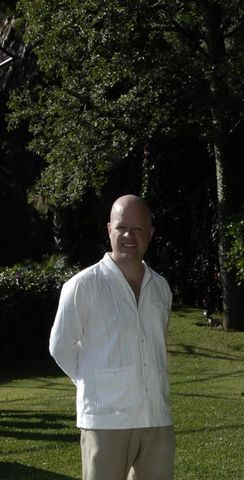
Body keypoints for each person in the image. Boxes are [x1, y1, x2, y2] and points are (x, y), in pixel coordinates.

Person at [49, 194, 175, 480]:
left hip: (156, 419)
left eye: (139, 228)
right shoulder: (83, 285)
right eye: (121, 227)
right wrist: (93, 382)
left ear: (151, 233)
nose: (129, 235)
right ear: (109, 230)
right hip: (106, 423)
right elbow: (60, 346)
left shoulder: (160, 287)